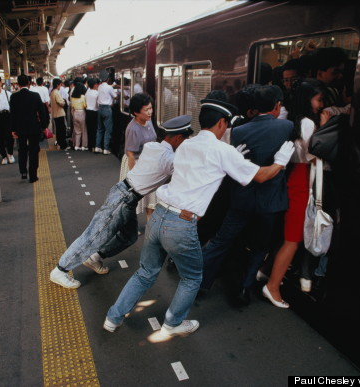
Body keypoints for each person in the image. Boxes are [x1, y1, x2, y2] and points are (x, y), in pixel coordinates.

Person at [104, 98, 295, 336]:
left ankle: (113, 317)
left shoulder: (186, 145)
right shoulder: (222, 151)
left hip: (160, 215)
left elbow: (202, 168)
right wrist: (280, 162)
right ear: (222, 123)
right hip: (180, 224)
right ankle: (173, 324)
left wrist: (231, 156)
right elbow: (261, 176)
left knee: (145, 272)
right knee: (193, 277)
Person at [50, 115, 193, 289]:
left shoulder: (152, 146)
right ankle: (60, 270)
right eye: (185, 139)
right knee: (94, 235)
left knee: (129, 235)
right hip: (124, 198)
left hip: (125, 194)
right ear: (178, 138)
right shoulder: (169, 160)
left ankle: (94, 257)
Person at [199, 85, 294, 306]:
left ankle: (200, 282)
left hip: (241, 199)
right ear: (277, 106)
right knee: (260, 247)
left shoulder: (239, 131)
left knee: (222, 241)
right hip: (270, 202)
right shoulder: (287, 126)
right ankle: (244, 288)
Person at [260, 79, 330, 305]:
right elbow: (315, 154)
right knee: (293, 239)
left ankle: (265, 271)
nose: (320, 104)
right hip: (302, 179)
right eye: (318, 99)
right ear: (308, 99)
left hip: (292, 177)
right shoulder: (309, 123)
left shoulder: (292, 119)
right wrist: (325, 127)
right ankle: (272, 287)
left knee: (285, 234)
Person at [118, 93, 157, 218]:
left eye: (151, 108)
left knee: (151, 198)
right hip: (135, 162)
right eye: (146, 110)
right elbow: (130, 154)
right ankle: (128, 227)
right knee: (132, 199)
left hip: (148, 162)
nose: (150, 112)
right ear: (136, 112)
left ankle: (150, 225)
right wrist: (134, 176)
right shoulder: (133, 128)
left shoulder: (148, 121)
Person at [10, 74, 47, 183]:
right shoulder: (35, 96)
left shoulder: (14, 97)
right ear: (29, 83)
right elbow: (42, 112)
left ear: (18, 84)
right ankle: (33, 175)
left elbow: (12, 115)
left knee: (22, 149)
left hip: (20, 128)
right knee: (33, 150)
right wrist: (43, 126)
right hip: (34, 127)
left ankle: (23, 172)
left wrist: (13, 129)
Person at [95, 70, 117, 154]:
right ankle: (106, 148)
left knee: (100, 129)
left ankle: (97, 147)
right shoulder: (109, 87)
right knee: (108, 129)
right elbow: (115, 96)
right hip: (107, 109)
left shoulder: (99, 87)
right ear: (108, 79)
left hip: (100, 109)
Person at [50, 78, 69, 150]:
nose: (60, 86)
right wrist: (64, 102)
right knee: (62, 130)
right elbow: (60, 102)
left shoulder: (52, 92)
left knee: (58, 130)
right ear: (57, 84)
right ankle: (63, 145)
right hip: (59, 113)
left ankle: (59, 143)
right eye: (60, 85)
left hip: (55, 113)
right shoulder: (56, 92)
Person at [70, 81, 88, 150]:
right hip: (81, 113)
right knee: (83, 130)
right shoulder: (83, 96)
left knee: (77, 131)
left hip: (75, 113)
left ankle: (77, 146)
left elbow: (72, 106)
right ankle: (84, 145)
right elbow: (85, 105)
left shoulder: (72, 97)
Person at [85, 78, 99, 152]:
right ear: (94, 85)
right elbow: (98, 104)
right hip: (94, 112)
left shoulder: (87, 93)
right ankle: (94, 145)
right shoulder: (96, 93)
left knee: (89, 130)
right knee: (95, 129)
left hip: (87, 112)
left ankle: (90, 146)